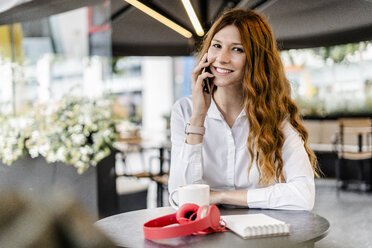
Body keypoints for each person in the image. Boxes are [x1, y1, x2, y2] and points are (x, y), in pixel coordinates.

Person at [168, 8, 320, 210]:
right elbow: (181, 197)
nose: (222, 58)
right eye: (217, 46)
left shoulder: (275, 113)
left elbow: (303, 196)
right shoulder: (185, 111)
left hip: (261, 232)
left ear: (256, 59)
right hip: (204, 234)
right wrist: (198, 117)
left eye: (237, 49)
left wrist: (221, 196)